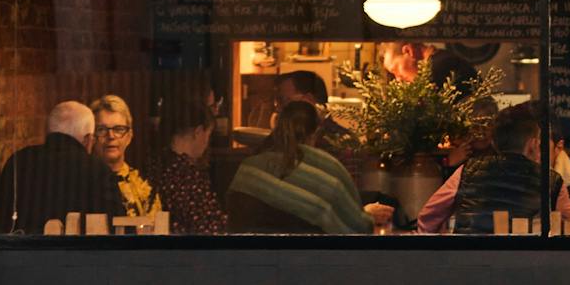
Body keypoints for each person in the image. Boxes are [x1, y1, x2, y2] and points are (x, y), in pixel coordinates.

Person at [225, 100, 394, 234]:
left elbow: (234, 220)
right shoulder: (328, 169)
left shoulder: (249, 166)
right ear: (315, 133)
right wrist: (368, 215)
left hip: (246, 262)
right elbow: (355, 227)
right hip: (307, 265)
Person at [417, 105, 570, 234]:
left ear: (495, 143)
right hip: (525, 266)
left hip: (470, 263)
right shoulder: (551, 180)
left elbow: (427, 218)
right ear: (533, 144)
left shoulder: (468, 170)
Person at [0, 101, 126, 234]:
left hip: (21, 253)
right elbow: (117, 227)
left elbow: (3, 222)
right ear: (87, 139)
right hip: (78, 253)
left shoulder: (18, 162)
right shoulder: (98, 170)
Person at [146, 95, 227, 235]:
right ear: (198, 132)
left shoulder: (153, 166)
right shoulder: (188, 177)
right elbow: (210, 229)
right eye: (208, 135)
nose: (207, 144)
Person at [90, 94, 159, 219]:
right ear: (92, 137)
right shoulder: (81, 183)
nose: (111, 136)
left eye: (119, 129)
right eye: (101, 129)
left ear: (129, 136)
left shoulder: (145, 187)